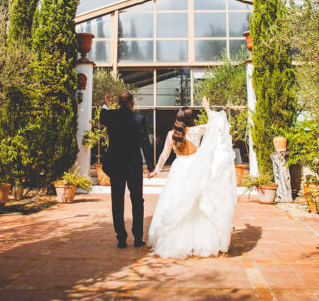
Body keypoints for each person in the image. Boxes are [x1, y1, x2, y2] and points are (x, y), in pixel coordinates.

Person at [146, 96, 237, 258]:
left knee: (176, 202)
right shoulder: (196, 131)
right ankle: (199, 240)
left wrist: (156, 171)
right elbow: (217, 125)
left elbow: (164, 155)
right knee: (198, 203)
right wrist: (207, 109)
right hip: (196, 168)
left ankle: (175, 240)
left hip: (178, 169)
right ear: (191, 119)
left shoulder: (170, 134)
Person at [100, 92, 155, 248]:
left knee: (117, 201)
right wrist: (150, 166)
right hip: (133, 165)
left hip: (116, 164)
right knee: (137, 200)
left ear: (119, 102)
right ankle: (138, 238)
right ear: (131, 102)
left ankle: (121, 239)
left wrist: (105, 104)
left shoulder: (110, 116)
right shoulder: (139, 120)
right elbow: (145, 144)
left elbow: (102, 116)